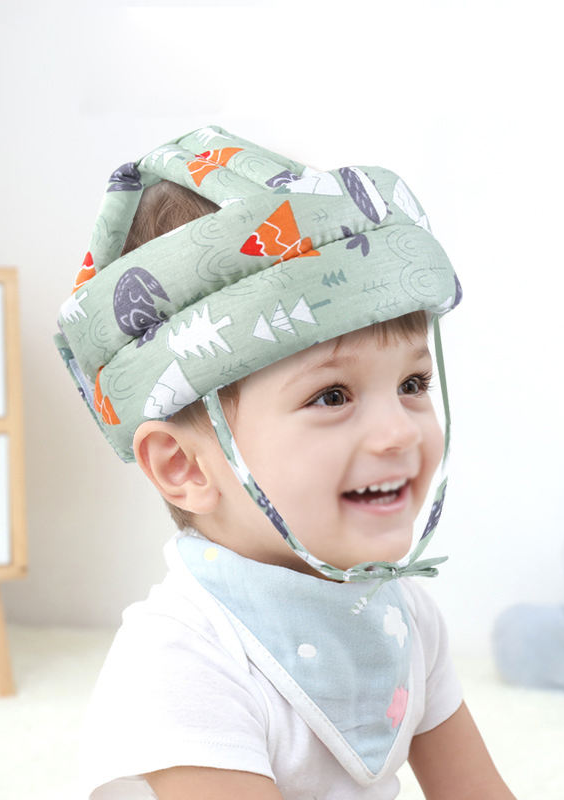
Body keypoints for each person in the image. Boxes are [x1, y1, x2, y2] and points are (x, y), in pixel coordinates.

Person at [55, 125, 515, 799]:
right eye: (332, 396)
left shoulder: (401, 616)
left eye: (413, 384)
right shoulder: (184, 659)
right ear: (185, 467)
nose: (398, 431)